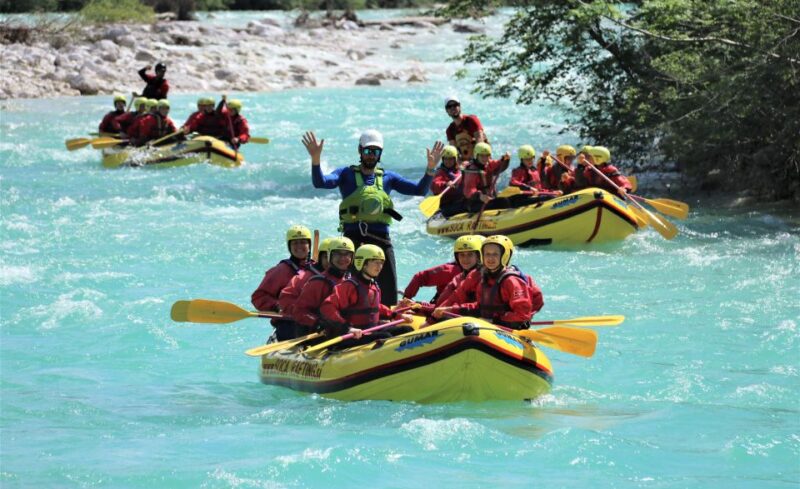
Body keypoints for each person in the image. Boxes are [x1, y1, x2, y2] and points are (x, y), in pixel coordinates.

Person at [304, 129, 441, 306]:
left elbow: (419, 190)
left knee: (389, 287)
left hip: (381, 239)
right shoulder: (346, 174)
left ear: (380, 154)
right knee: (352, 285)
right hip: (353, 239)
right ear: (360, 151)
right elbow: (320, 182)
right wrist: (316, 159)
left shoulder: (388, 177)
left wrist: (431, 169)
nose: (371, 155)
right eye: (368, 151)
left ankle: (387, 319)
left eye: (375, 152)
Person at [434, 235, 544, 330]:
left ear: (504, 256)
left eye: (495, 254)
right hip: (492, 323)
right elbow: (480, 306)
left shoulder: (512, 281)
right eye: (487, 254)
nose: (490, 258)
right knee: (447, 318)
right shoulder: (485, 278)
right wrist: (451, 309)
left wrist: (494, 320)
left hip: (509, 326)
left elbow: (522, 314)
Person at [319, 244, 413, 349]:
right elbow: (327, 307)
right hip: (351, 335)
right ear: (363, 263)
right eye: (375, 262)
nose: (379, 267)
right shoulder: (349, 286)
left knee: (406, 330)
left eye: (381, 263)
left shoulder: (373, 285)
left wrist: (397, 315)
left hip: (369, 331)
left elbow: (375, 307)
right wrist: (347, 328)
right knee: (385, 337)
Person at [251, 225, 317, 341]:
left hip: (313, 324)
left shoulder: (317, 268)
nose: (299, 246)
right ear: (289, 246)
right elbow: (258, 297)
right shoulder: (281, 270)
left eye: (303, 242)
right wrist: (277, 306)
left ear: (309, 245)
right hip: (289, 325)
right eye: (295, 243)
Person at [291, 237, 355, 338]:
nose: (343, 258)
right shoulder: (318, 282)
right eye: (337, 254)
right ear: (330, 256)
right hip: (321, 335)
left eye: (347, 254)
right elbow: (299, 312)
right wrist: (318, 323)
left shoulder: (351, 281)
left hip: (345, 330)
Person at [400, 234, 484, 306]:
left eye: (470, 255)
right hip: (441, 310)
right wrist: (406, 299)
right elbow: (420, 277)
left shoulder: (486, 275)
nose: (466, 259)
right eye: (462, 255)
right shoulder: (450, 271)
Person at [444, 142, 510, 216]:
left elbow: (499, 165)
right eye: (482, 156)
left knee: (505, 201)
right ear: (476, 155)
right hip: (474, 203)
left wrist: (505, 159)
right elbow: (468, 190)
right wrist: (480, 196)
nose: (484, 158)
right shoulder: (471, 171)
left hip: (487, 199)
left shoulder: (488, 164)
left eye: (487, 156)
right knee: (503, 202)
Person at [277, 237, 331, 320]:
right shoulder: (302, 278)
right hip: (307, 323)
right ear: (320, 258)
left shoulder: (346, 279)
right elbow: (286, 300)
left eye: (334, 256)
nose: (330, 261)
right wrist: (311, 317)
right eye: (326, 257)